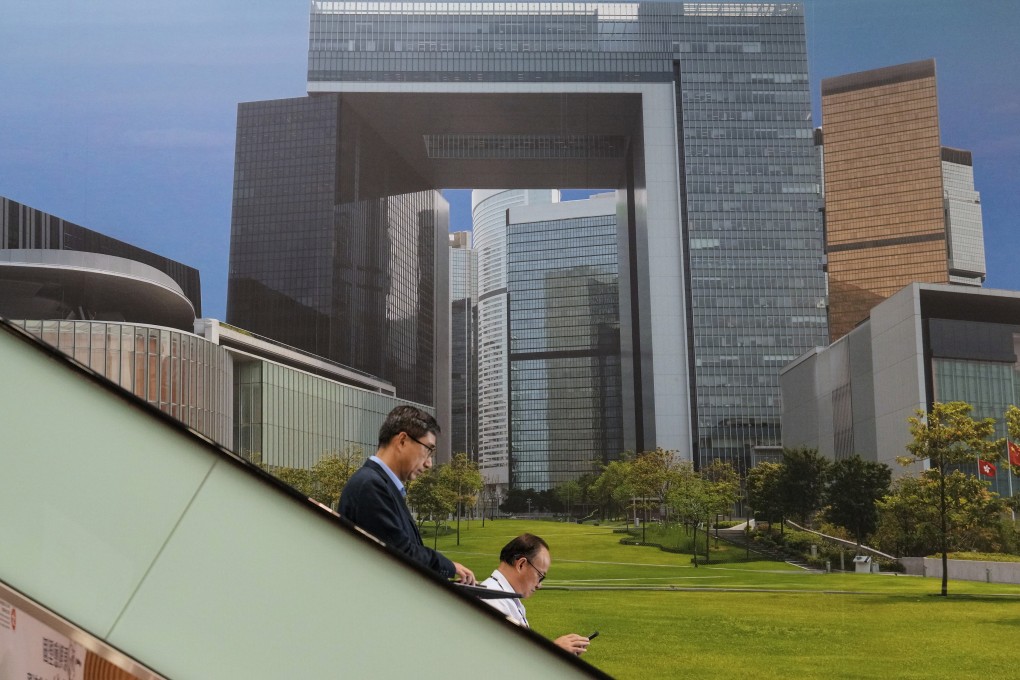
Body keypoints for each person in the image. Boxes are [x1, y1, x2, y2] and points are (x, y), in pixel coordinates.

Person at [339, 405, 476, 585]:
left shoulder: (381, 485)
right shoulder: (370, 485)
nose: (429, 463)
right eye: (428, 449)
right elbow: (400, 553)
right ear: (402, 440)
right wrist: (449, 566)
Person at [480, 533, 590, 656]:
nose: (539, 585)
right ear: (521, 564)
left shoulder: (502, 596)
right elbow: (502, 661)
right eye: (540, 576)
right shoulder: (493, 602)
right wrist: (553, 650)